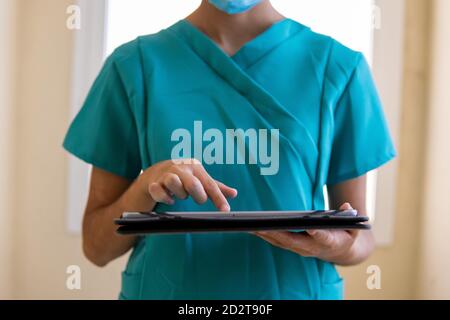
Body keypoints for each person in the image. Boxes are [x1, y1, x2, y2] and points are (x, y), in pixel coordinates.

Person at [63, 0, 396, 299]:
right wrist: (146, 185)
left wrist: (337, 245)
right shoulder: (133, 66)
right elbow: (96, 246)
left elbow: (360, 237)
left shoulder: (337, 68)